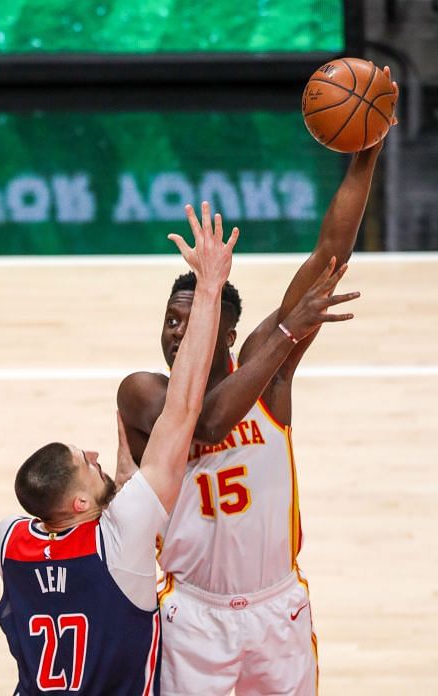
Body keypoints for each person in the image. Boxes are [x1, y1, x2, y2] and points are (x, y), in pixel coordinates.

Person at [117, 74, 397, 696]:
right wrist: (287, 334)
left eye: (191, 321)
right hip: (192, 614)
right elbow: (207, 421)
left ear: (226, 328)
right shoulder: (144, 395)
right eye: (170, 320)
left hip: (278, 608)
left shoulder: (267, 373)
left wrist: (366, 154)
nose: (175, 333)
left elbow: (330, 251)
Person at [0, 206, 238, 695]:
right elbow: (184, 410)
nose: (95, 455)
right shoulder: (120, 542)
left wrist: (121, 488)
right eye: (85, 462)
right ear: (79, 504)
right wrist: (209, 287)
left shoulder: (9, 542)